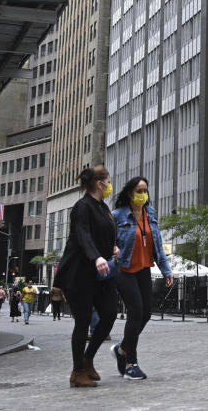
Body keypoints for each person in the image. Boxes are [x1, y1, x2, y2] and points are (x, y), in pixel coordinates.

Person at [56, 165, 121, 388]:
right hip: (80, 272)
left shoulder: (103, 207)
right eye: (108, 180)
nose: (110, 184)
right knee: (82, 322)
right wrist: (96, 257)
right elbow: (83, 235)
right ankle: (77, 372)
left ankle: (88, 358)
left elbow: (108, 233)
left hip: (102, 273)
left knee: (110, 313)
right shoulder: (82, 207)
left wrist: (114, 248)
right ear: (99, 183)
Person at [111, 176, 174, 380]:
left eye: (145, 190)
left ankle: (122, 350)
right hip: (124, 269)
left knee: (146, 313)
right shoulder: (118, 215)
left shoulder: (150, 213)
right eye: (139, 191)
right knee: (136, 311)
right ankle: (131, 363)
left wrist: (167, 271)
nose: (143, 195)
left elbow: (158, 245)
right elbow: (107, 240)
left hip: (143, 269)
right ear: (130, 193)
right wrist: (111, 249)